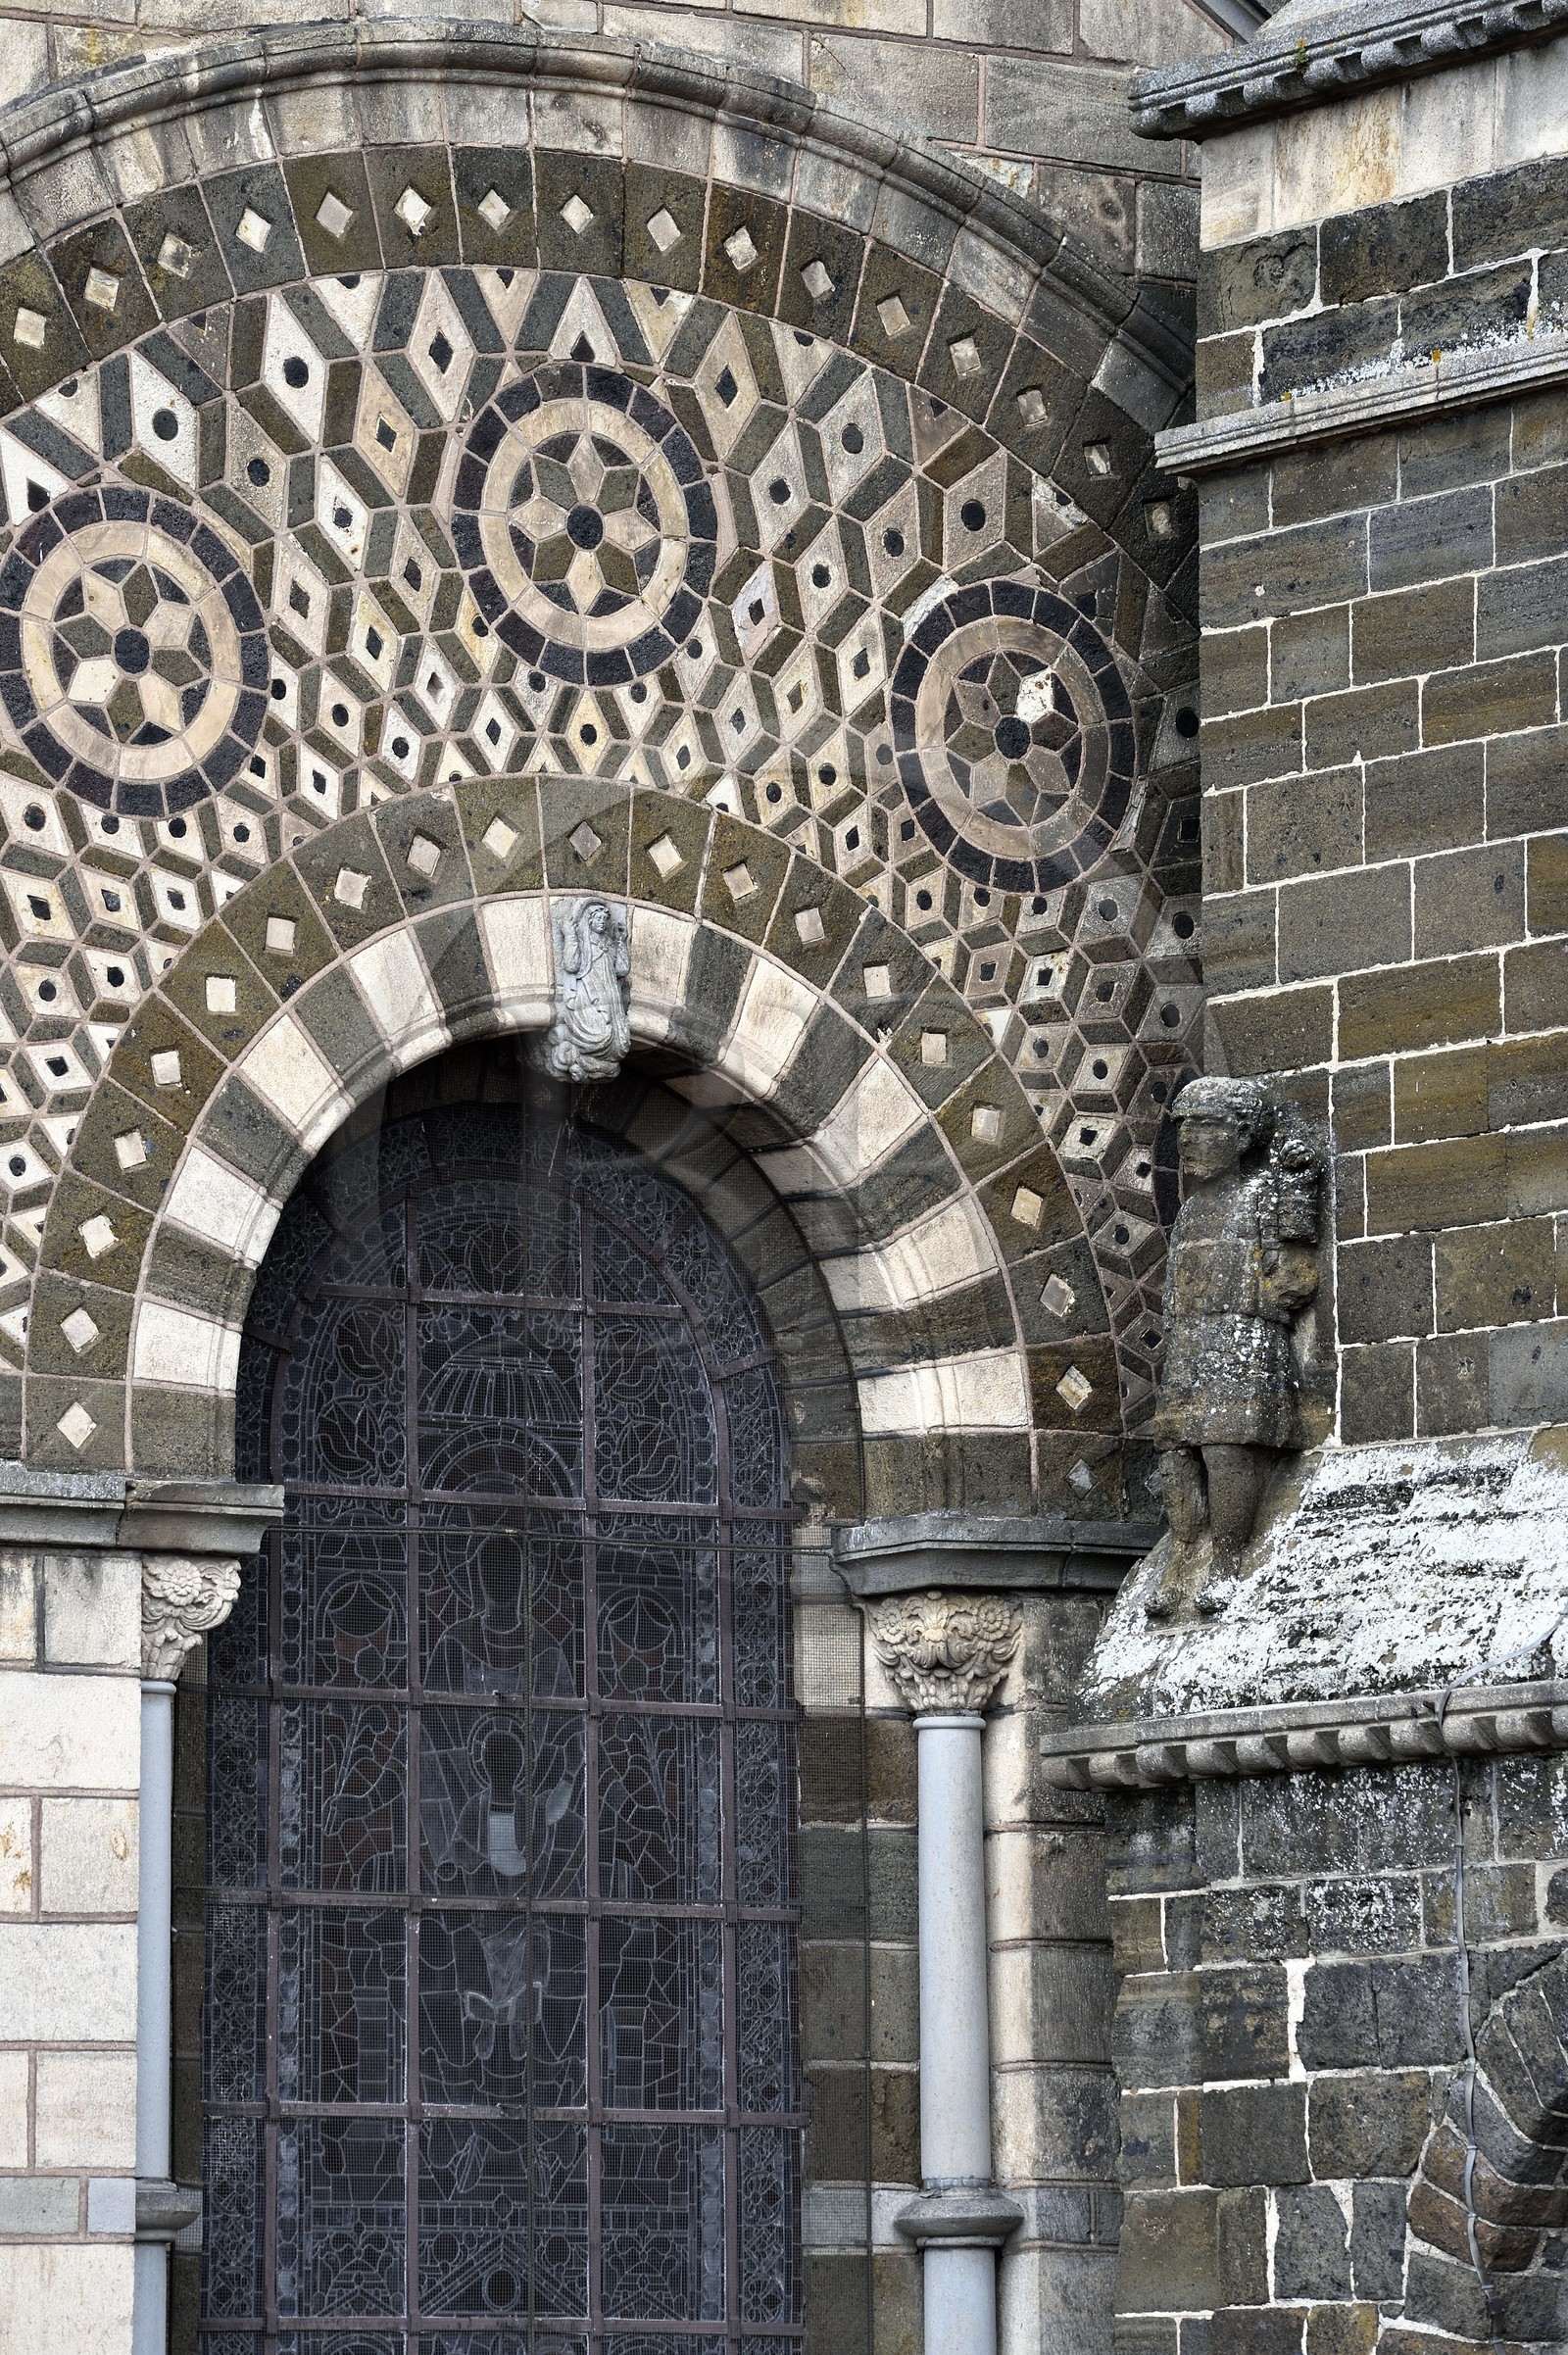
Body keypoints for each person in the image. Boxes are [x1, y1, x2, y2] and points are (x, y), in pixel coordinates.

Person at [1147, 1075, 1320, 1619]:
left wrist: (1300, 1182)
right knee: (1176, 1454)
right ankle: (1183, 1549)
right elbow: (1176, 1289)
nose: (1190, 1140)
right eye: (1183, 1128)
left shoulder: (1265, 1192)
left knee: (1226, 1450)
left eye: (1206, 1126)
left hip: (1244, 1335)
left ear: (1242, 1135)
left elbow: (1298, 1272)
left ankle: (1226, 1560)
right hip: (1191, 1342)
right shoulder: (1191, 1213)